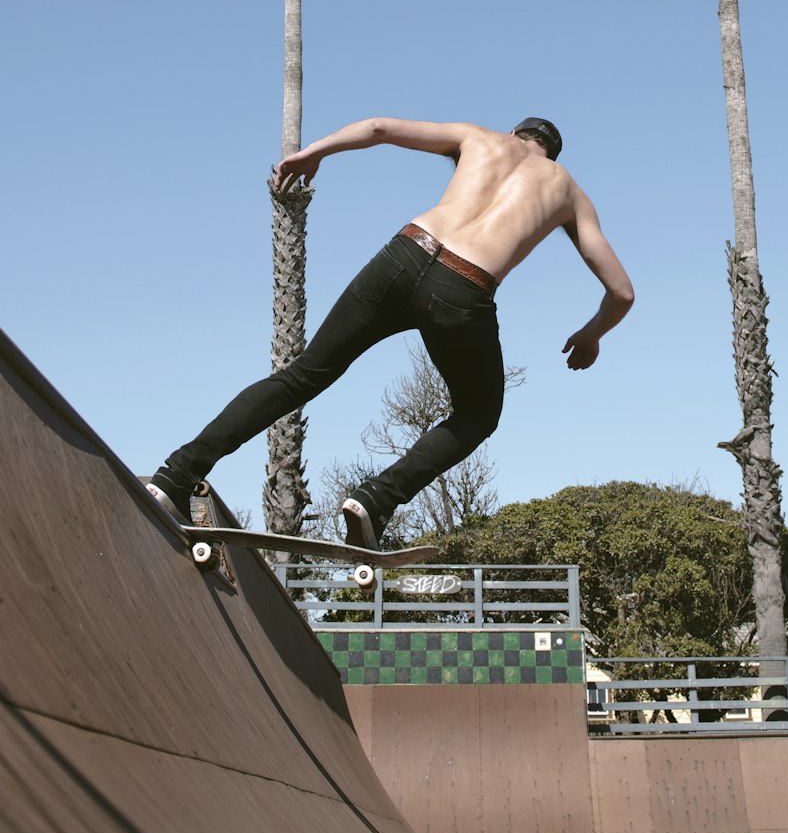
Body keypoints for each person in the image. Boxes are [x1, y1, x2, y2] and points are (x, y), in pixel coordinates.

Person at [147, 116, 634, 549]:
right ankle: (374, 500)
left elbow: (379, 129)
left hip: (402, 256)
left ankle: (175, 476)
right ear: (552, 154)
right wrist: (592, 334)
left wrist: (314, 152)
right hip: (465, 289)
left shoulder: (477, 138)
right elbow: (622, 293)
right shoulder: (569, 192)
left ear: (515, 135)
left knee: (303, 375)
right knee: (478, 413)